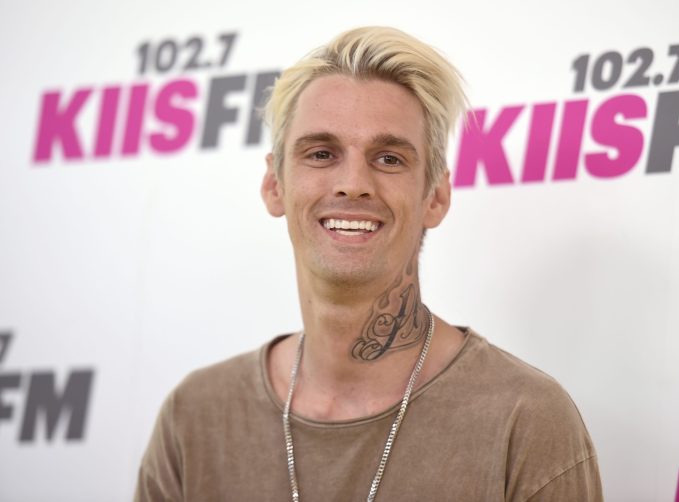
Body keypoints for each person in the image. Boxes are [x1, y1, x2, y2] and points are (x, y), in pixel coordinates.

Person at [135, 26, 603, 502]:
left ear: (435, 197)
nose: (353, 183)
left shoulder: (524, 420)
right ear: (275, 186)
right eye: (321, 153)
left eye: (388, 158)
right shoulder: (195, 417)